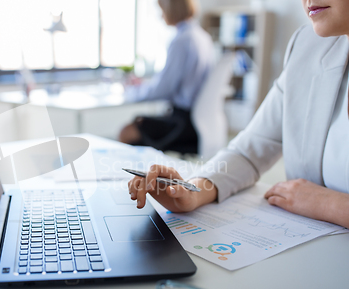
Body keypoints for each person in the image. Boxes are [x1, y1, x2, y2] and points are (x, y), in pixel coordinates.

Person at [128, 0, 349, 229]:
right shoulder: (308, 45)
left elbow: (163, 87)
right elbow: (249, 150)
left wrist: (332, 205)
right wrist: (193, 191)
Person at [119, 0, 214, 155]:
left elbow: (163, 89)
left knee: (126, 132)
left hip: (183, 123)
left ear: (172, 9)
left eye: (161, 9)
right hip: (200, 121)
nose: (160, 14)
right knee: (142, 122)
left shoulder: (182, 40)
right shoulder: (203, 37)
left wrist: (132, 92)